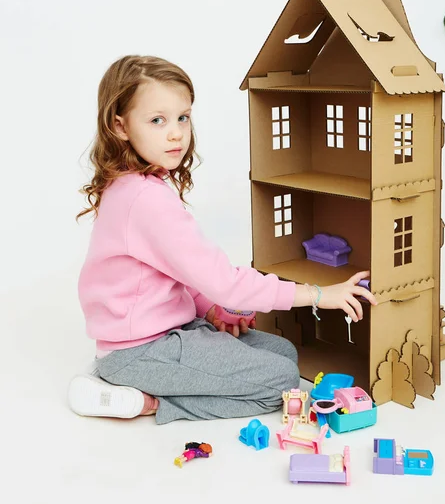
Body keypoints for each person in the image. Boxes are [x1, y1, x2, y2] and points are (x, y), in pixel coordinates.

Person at [68, 55, 377, 425]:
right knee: (281, 381)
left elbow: (175, 272)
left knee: (283, 353)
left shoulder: (139, 186)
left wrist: (209, 310)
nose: (176, 133)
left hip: (167, 332)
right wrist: (318, 295)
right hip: (141, 349)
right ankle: (145, 401)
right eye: (157, 120)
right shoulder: (144, 199)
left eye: (183, 117)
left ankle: (147, 379)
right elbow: (225, 282)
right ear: (120, 126)